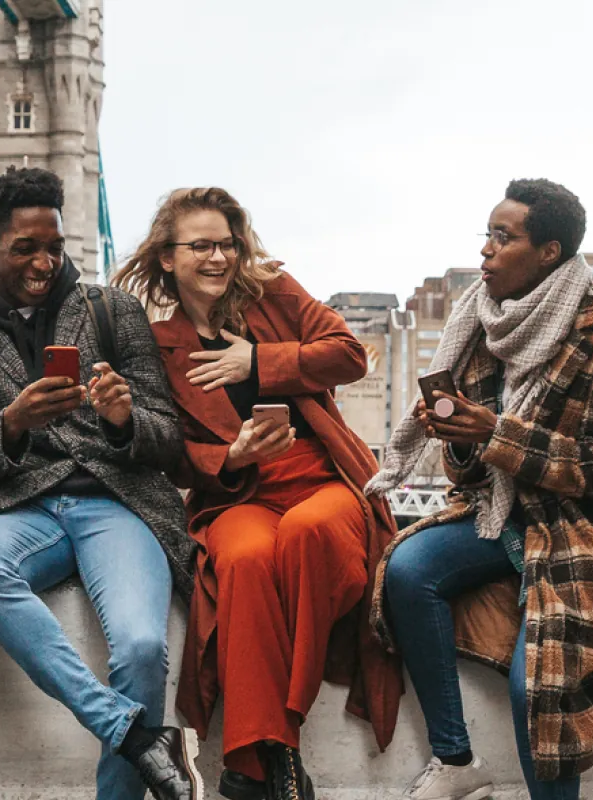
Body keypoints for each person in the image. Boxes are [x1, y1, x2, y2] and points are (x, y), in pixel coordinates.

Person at [0, 167, 203, 800]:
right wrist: (13, 424)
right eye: (26, 248)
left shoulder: (112, 311)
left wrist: (125, 418)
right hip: (24, 506)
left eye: (54, 245)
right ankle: (135, 736)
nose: (44, 262)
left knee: (138, 646)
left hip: (118, 501)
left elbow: (169, 440)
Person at [364, 179, 593, 800]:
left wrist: (495, 434)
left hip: (585, 524)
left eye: (503, 236)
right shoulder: (481, 319)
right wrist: (463, 441)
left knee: (538, 683)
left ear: (547, 253)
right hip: (501, 512)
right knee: (408, 570)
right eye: (486, 235)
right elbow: (468, 472)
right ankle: (455, 761)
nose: (486, 251)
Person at [113, 188, 403, 800]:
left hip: (319, 480)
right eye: (201, 246)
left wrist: (258, 362)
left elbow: (351, 355)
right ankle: (263, 767)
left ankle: (269, 747)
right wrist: (231, 456)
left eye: (226, 244)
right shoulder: (158, 343)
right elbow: (169, 452)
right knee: (242, 561)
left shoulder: (272, 291)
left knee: (307, 536)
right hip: (236, 494)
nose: (218, 257)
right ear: (168, 258)